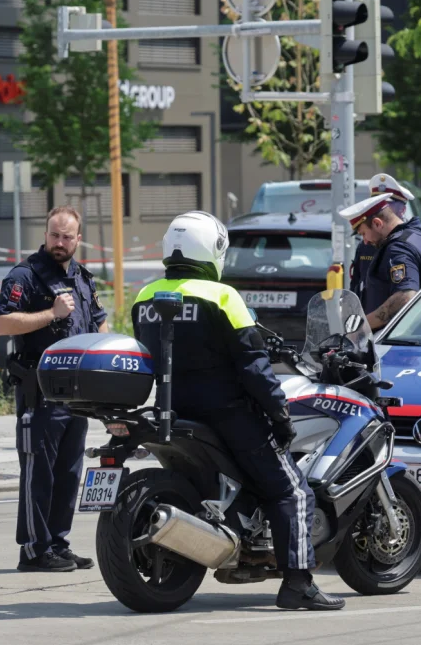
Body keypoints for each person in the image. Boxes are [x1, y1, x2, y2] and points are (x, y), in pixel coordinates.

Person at [132, 211, 345, 611]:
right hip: (228, 415)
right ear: (212, 250)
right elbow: (253, 367)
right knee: (292, 491)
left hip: (174, 411)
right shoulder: (223, 297)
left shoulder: (145, 296)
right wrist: (280, 414)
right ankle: (298, 582)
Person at [0, 206, 108, 573]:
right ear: (45, 235)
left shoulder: (83, 279)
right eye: (54, 235)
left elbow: (100, 326)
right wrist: (51, 314)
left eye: (67, 236)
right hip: (40, 393)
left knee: (69, 473)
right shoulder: (24, 277)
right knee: (38, 474)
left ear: (78, 239)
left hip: (78, 396)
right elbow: (1, 324)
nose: (60, 242)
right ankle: (33, 549)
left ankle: (58, 543)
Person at [341, 185, 421, 331]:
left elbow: (405, 297)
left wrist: (360, 328)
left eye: (363, 233)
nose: (365, 241)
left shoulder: (398, 248)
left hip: (404, 341)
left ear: (377, 223)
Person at [348, 174, 416, 302]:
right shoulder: (366, 244)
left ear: (403, 209)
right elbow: (357, 284)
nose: (380, 208)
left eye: (386, 203)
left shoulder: (410, 241)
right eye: (376, 202)